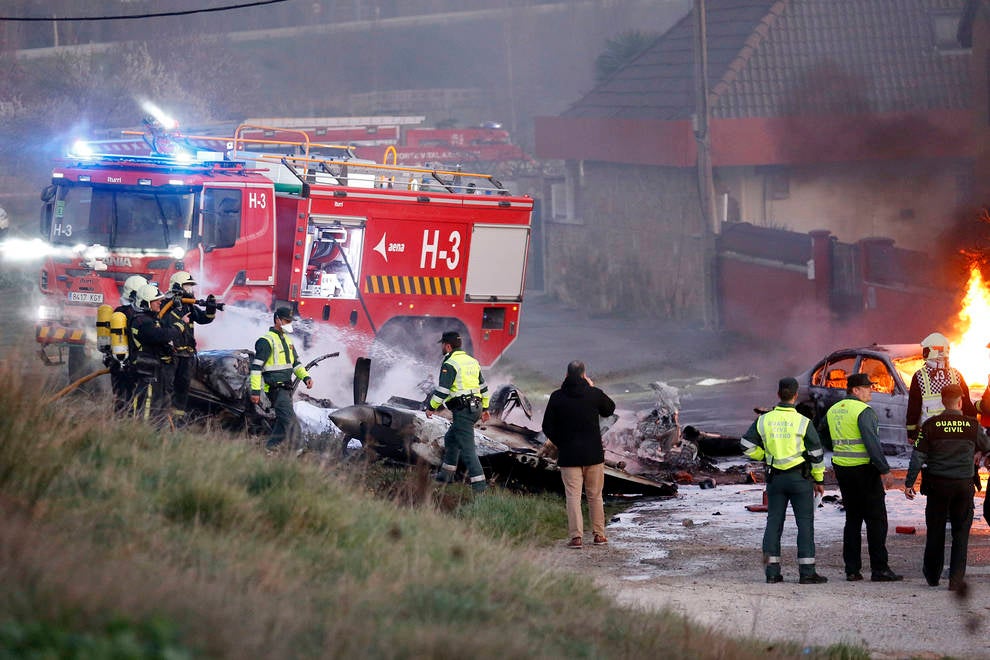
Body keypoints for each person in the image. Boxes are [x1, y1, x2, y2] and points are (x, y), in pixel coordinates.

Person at [741, 377, 827, 584]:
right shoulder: (803, 422)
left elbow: (745, 445)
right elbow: (816, 454)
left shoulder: (764, 420)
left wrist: (765, 456)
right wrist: (819, 479)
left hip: (775, 480)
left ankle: (772, 573)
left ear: (778, 394)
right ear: (795, 395)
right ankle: (807, 572)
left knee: (773, 523)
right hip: (800, 480)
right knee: (804, 524)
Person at [904, 384, 990, 590]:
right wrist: (979, 452)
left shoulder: (930, 425)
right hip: (963, 485)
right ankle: (956, 580)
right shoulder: (971, 425)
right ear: (960, 402)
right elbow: (987, 445)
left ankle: (933, 576)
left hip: (937, 485)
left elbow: (918, 456)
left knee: (935, 529)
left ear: (943, 402)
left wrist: (909, 483)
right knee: (961, 532)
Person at [818, 373, 902, 582]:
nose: (870, 390)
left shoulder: (834, 409)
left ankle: (852, 569)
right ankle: (879, 569)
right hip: (864, 470)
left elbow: (822, 434)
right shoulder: (863, 411)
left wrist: (836, 448)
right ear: (855, 390)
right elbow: (872, 443)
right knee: (876, 520)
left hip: (843, 470)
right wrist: (884, 469)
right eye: (867, 387)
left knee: (853, 519)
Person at [541, 360, 616, 549]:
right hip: (593, 455)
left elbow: (547, 426)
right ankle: (599, 535)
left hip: (569, 457)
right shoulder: (594, 394)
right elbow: (610, 409)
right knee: (595, 496)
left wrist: (561, 443)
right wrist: (592, 387)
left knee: (573, 497)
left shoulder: (557, 397)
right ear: (584, 375)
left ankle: (576, 538)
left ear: (566, 375)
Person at [425, 330, 490, 493]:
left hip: (463, 411)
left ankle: (480, 488)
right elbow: (483, 387)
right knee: (451, 439)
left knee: (468, 450)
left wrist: (431, 407)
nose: (441, 347)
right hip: (475, 408)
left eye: (442, 345)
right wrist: (486, 408)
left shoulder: (450, 363)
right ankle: (446, 476)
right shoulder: (472, 361)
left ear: (448, 346)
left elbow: (443, 391)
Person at [250, 307, 313, 454]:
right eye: (286, 320)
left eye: (290, 321)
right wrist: (255, 391)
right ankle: (299, 451)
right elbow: (256, 368)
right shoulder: (266, 341)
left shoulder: (288, 341)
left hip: (286, 388)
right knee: (290, 421)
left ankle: (269, 448)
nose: (289, 323)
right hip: (275, 389)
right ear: (277, 319)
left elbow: (296, 364)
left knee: (282, 420)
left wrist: (306, 377)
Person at [163, 271, 217, 423]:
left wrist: (211, 309)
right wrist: (177, 310)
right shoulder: (165, 305)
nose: (190, 290)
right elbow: (164, 325)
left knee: (183, 388)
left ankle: (177, 420)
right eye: (187, 286)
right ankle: (162, 419)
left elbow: (204, 319)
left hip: (187, 355)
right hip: (172, 354)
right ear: (177, 286)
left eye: (191, 286)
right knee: (167, 387)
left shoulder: (189, 307)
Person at [128, 284, 185, 424]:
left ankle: (156, 429)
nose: (160, 302)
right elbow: (162, 336)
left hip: (153, 368)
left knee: (158, 401)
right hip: (146, 368)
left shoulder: (147, 319)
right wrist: (180, 325)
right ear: (145, 302)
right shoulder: (143, 322)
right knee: (148, 402)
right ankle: (143, 429)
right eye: (156, 300)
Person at [905, 332, 976, 443]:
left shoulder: (920, 376)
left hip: (930, 434)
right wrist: (972, 429)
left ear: (932, 351)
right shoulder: (956, 375)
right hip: (955, 433)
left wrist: (911, 433)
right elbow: (967, 405)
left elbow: (913, 408)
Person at [109, 274, 147, 414]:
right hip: (133, 363)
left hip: (117, 362)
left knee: (120, 396)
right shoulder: (139, 315)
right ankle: (131, 421)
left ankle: (120, 419)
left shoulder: (118, 312)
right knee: (135, 396)